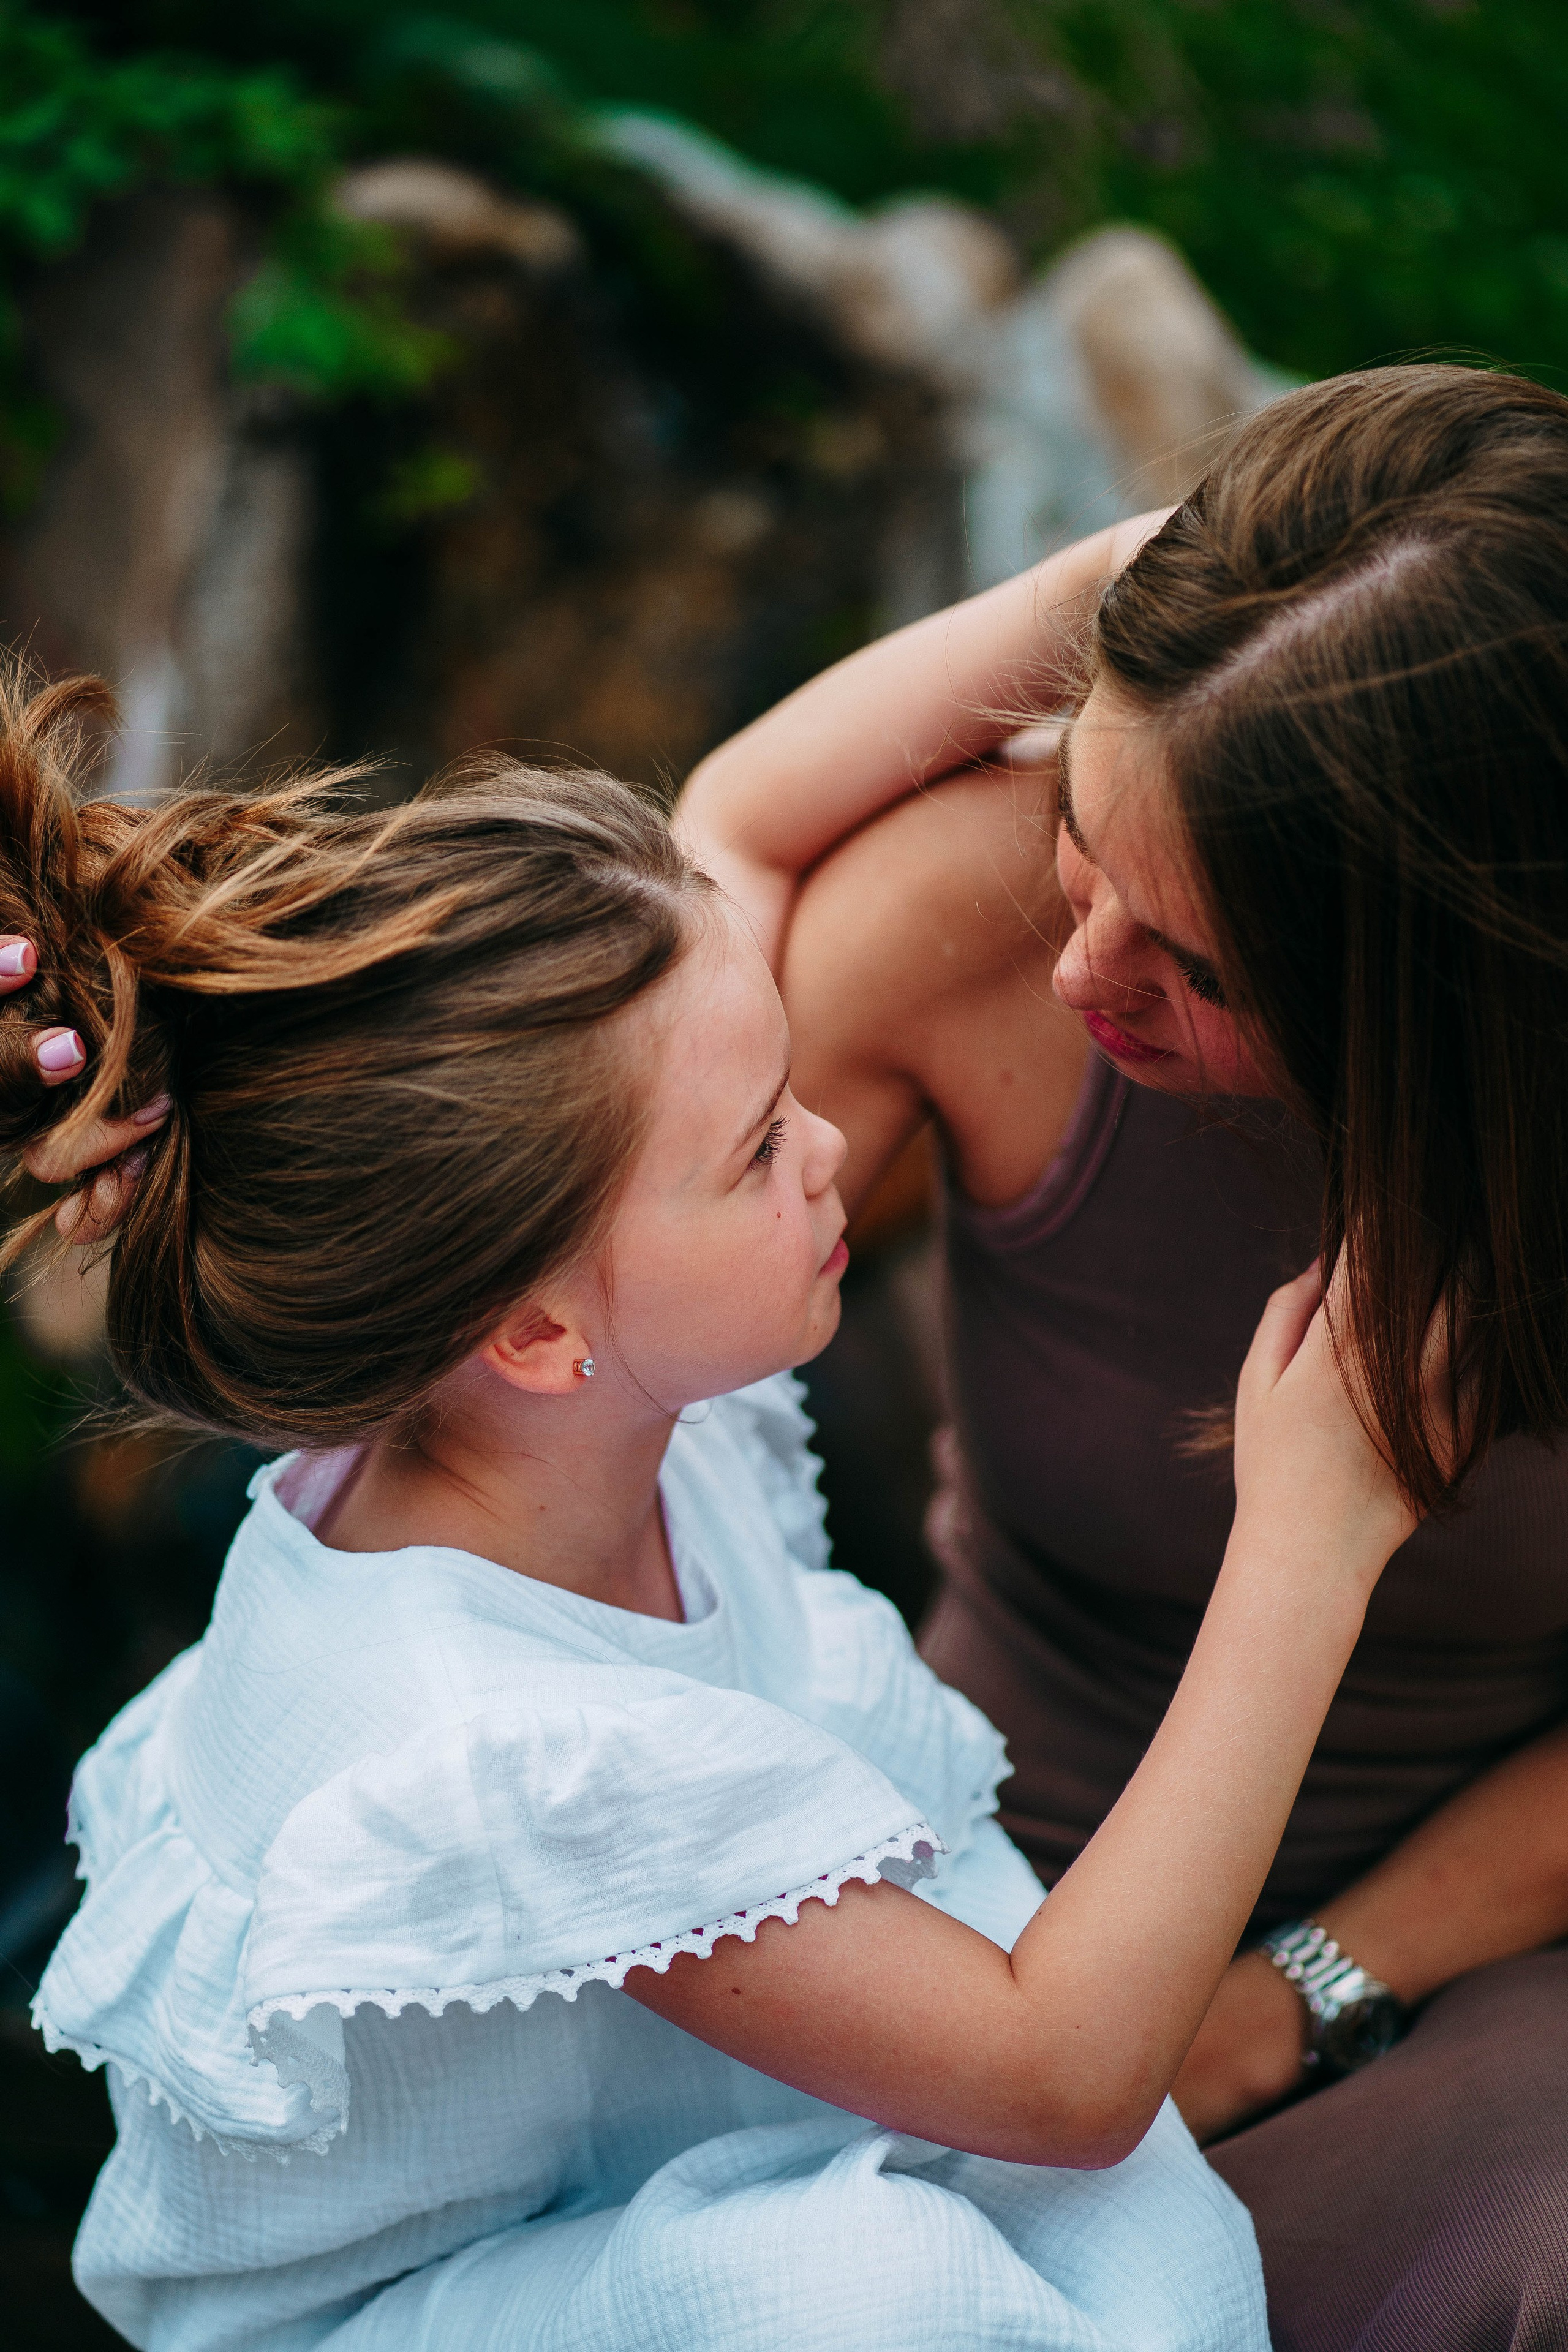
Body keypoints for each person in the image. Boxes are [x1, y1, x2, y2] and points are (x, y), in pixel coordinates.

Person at [6, 668, 1415, 2352]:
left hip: (615, 2173)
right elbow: (1065, 2077)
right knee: (864, 2299)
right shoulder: (498, 1741)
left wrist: (1136, 609)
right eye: (756, 1148)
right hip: (419, 2315)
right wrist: (1309, 1533)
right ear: (535, 1331)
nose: (829, 1148)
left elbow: (744, 810)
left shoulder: (587, 1377)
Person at [675, 361, 1568, 2352]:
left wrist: (1298, 1994)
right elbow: (588, 1254)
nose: (1088, 979)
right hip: (996, 1889)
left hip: (1498, 1938)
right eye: (1083, 840)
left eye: (1203, 970)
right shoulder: (979, 927)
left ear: (1461, 987)